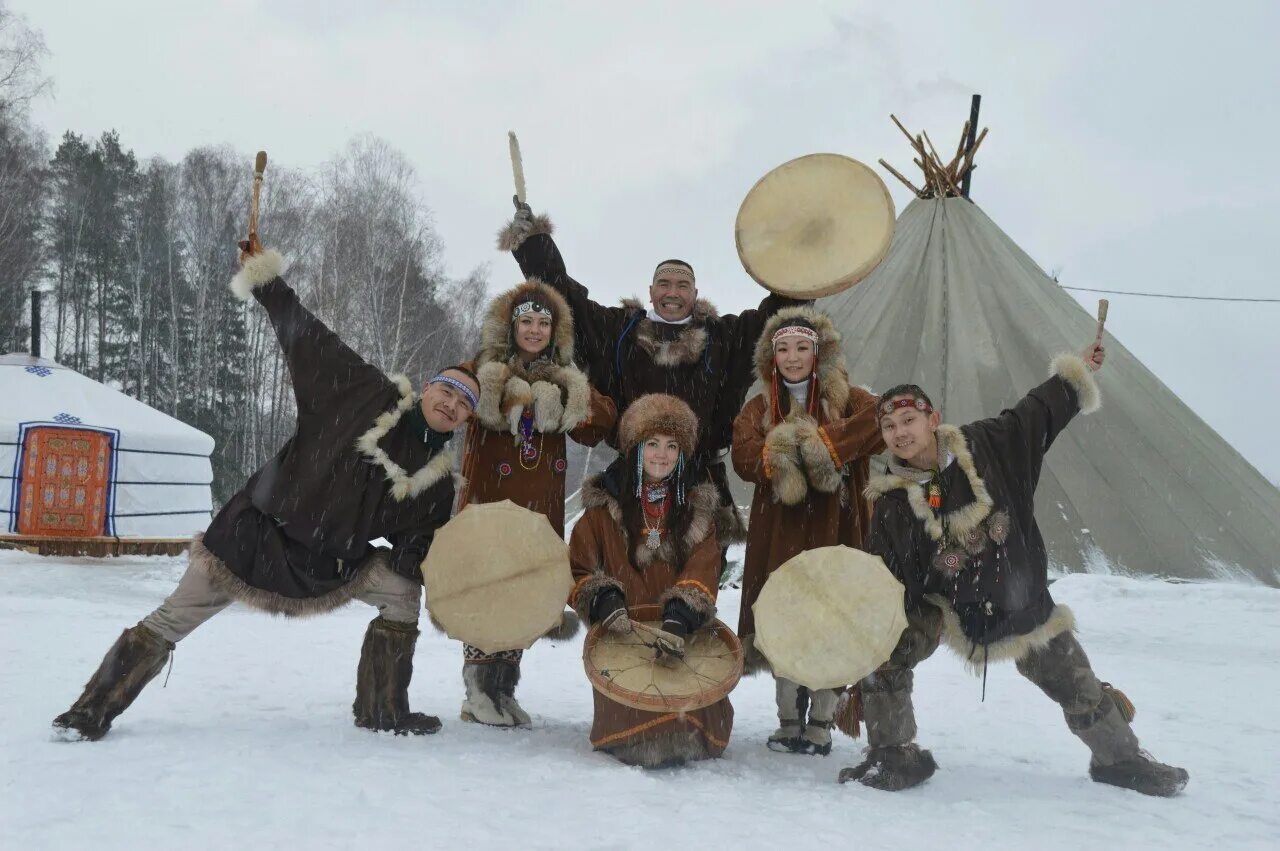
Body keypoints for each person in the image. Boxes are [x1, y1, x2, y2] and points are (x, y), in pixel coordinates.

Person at [52, 239, 478, 741]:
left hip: (329, 566)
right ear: (427, 389)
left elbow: (417, 543)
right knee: (173, 616)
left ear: (468, 418)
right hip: (253, 539)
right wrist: (267, 281)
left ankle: (383, 710)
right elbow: (309, 337)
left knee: (402, 594)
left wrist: (434, 571)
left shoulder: (435, 484)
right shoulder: (364, 392)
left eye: (464, 402)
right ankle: (90, 712)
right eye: (446, 390)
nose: (451, 404)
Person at [838, 343, 1190, 796]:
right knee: (886, 649)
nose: (900, 432)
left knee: (1070, 674)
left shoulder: (988, 445)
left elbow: (1036, 412)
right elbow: (887, 576)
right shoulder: (890, 502)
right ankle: (890, 755)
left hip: (1012, 590)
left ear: (932, 418)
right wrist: (870, 629)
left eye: (908, 420)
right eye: (888, 426)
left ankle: (1120, 759)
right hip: (942, 602)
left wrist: (1075, 373)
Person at [500, 200, 809, 556]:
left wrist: (806, 252)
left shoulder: (725, 338)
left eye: (682, 285)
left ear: (695, 294)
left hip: (701, 486)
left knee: (696, 587)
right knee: (627, 577)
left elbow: (778, 317)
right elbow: (568, 300)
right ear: (650, 292)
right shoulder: (620, 333)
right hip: (629, 484)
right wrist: (535, 245)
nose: (672, 292)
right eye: (664, 283)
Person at [454, 279, 616, 727]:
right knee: (488, 592)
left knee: (522, 596)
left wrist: (570, 396)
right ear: (510, 327)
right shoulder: (484, 369)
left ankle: (504, 690)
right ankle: (477, 690)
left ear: (555, 332)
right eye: (525, 321)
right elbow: (448, 394)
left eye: (543, 323)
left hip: (538, 510)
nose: (533, 330)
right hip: (491, 503)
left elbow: (600, 421)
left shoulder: (563, 378)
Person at [731, 307, 884, 755]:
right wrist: (779, 452)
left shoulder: (852, 399)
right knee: (783, 612)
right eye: (783, 349)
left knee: (832, 615)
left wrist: (827, 447)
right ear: (771, 356)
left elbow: (879, 426)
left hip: (838, 525)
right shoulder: (759, 407)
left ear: (819, 352)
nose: (793, 357)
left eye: (802, 347)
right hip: (780, 529)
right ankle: (787, 719)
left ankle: (821, 720)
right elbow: (743, 456)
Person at [568, 394, 732, 767]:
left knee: (692, 722)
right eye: (652, 444)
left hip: (683, 634)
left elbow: (704, 567)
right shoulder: (603, 508)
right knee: (636, 728)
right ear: (634, 449)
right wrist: (603, 599)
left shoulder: (696, 510)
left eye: (672, 446)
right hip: (624, 638)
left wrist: (679, 617)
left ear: (683, 454)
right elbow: (578, 569)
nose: (662, 454)